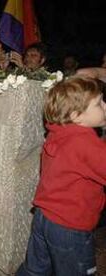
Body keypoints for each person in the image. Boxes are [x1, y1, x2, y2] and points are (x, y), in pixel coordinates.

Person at [16, 77, 106, 275]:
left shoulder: (58, 132)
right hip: (70, 226)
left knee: (35, 270)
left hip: (45, 217)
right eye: (99, 103)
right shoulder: (85, 143)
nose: (105, 106)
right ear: (76, 115)